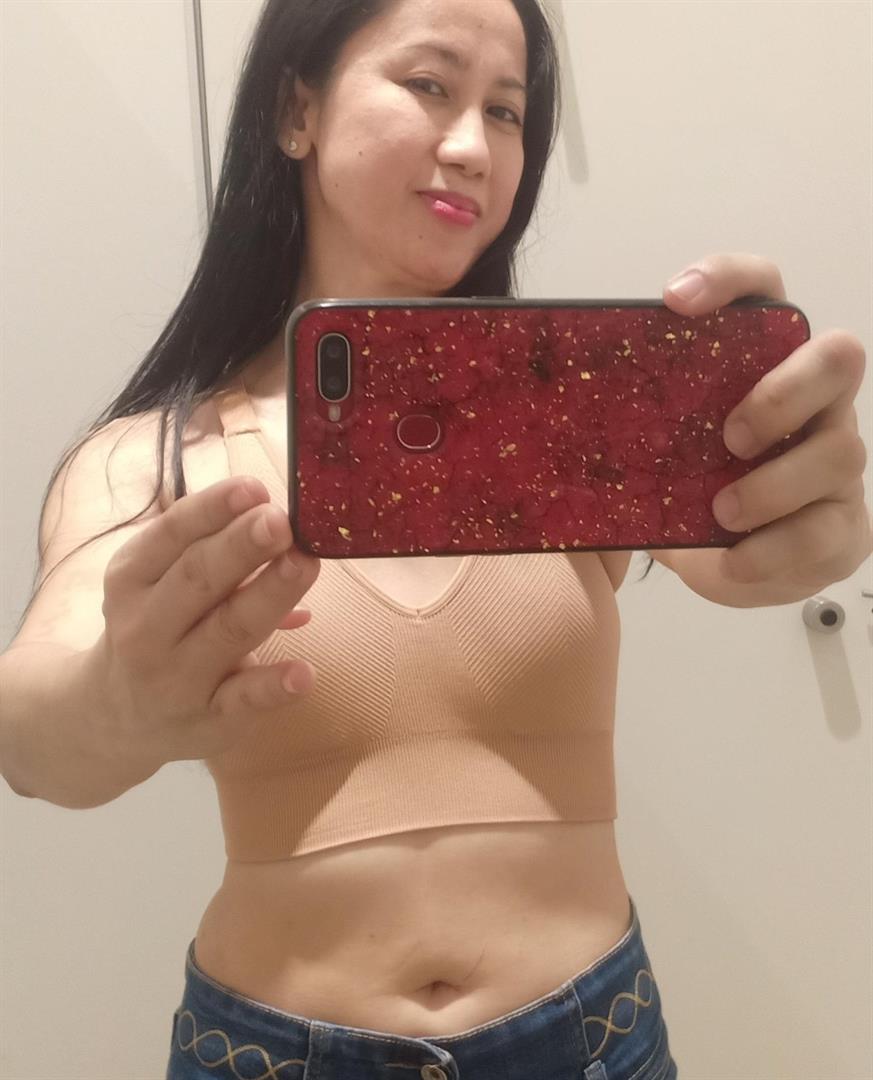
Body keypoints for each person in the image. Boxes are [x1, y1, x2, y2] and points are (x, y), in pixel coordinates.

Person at [1, 0, 869, 1077]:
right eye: (428, 86)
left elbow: (743, 556)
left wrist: (802, 515)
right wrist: (112, 703)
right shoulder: (156, 459)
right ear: (296, 110)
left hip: (589, 1042)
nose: (473, 147)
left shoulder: (572, 431)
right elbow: (29, 731)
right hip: (269, 1053)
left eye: (506, 112)